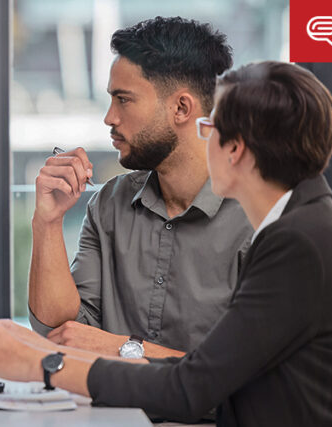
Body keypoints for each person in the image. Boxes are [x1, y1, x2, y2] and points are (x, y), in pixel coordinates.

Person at [0, 61, 332, 427]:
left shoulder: (300, 244)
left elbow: (191, 387)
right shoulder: (305, 228)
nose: (201, 145)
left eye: (209, 131)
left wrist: (42, 362)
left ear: (236, 149)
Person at [28, 16, 252, 359]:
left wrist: (126, 349)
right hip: (107, 411)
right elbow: (61, 332)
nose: (109, 117)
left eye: (123, 99)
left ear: (181, 108)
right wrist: (47, 221)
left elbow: (254, 378)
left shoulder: (258, 218)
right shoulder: (109, 204)